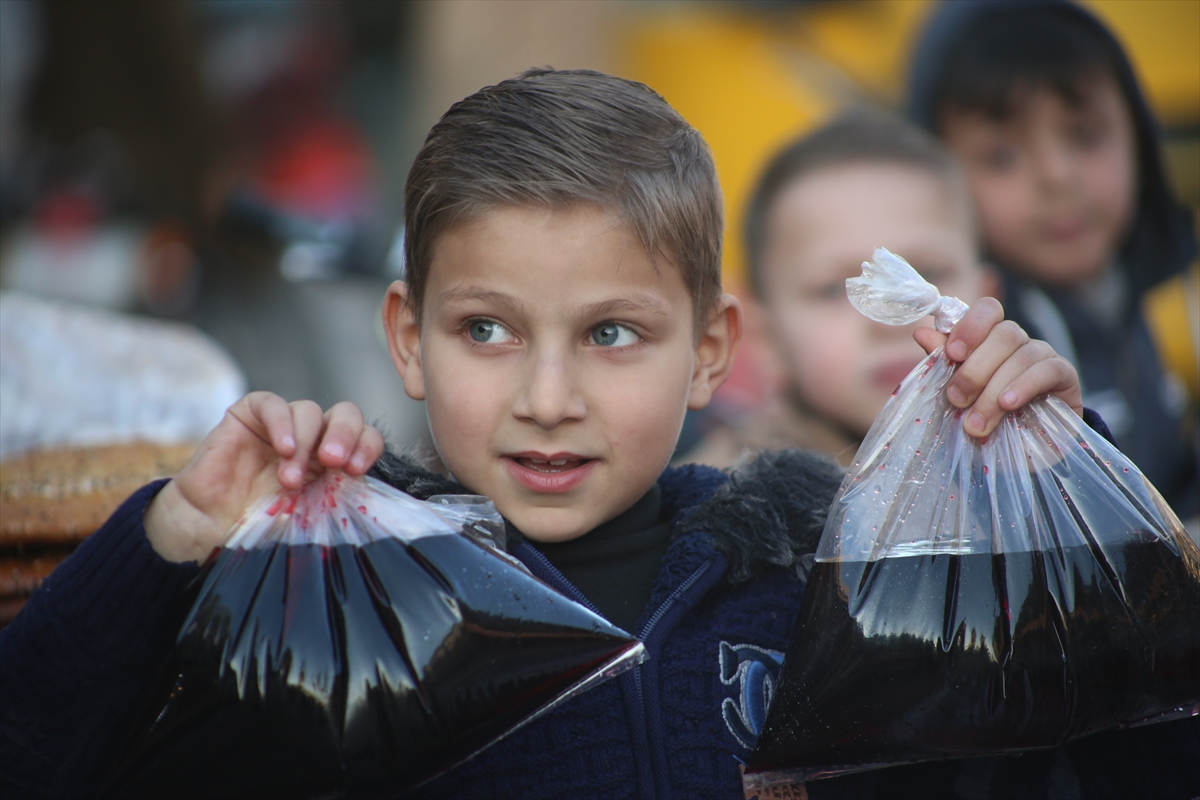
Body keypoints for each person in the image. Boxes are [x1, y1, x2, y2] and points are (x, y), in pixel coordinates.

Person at [0, 69, 1189, 800]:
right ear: (406, 338)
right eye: (488, 331)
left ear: (713, 346)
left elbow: (1120, 760)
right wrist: (166, 543)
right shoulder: (351, 598)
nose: (549, 395)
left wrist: (1044, 491)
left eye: (614, 334)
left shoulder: (818, 582)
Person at [906, 0, 1200, 528]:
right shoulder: (979, 343)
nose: (1057, 175)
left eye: (1085, 134)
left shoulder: (1147, 305)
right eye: (1002, 155)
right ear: (936, 177)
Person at [680, 110, 1000, 469]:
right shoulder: (729, 503)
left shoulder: (1033, 455)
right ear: (765, 337)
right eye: (835, 290)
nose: (890, 320)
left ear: (990, 299)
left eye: (925, 273)